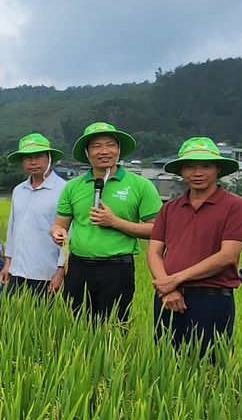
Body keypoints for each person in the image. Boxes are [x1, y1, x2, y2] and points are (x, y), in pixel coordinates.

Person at [146, 137, 242, 355]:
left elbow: (227, 256)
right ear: (181, 171)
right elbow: (154, 251)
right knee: (165, 362)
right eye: (190, 166)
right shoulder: (170, 209)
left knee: (209, 367)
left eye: (206, 166)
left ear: (218, 169)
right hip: (167, 298)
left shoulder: (237, 207)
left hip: (211, 298)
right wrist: (167, 289)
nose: (197, 173)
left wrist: (175, 280)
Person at [50, 121, 160, 322]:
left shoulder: (140, 185)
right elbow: (60, 224)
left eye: (110, 145)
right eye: (96, 146)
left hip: (117, 269)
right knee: (76, 327)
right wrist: (57, 232)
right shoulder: (72, 187)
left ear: (119, 150)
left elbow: (157, 230)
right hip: (77, 267)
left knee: (113, 329)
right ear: (87, 152)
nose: (104, 151)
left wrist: (115, 222)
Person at [0, 133, 66, 296]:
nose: (33, 162)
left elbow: (69, 234)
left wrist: (60, 272)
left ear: (49, 158)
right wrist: (8, 262)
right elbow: (12, 230)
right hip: (17, 270)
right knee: (14, 318)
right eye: (28, 158)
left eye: (39, 156)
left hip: (46, 273)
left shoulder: (64, 190)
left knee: (43, 320)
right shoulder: (19, 190)